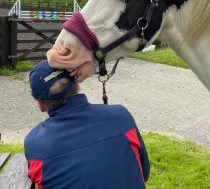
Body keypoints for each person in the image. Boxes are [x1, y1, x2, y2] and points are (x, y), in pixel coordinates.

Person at [24, 60, 150, 189]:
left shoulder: (35, 142)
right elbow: (143, 173)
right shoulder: (121, 115)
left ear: (40, 105)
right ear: (76, 84)